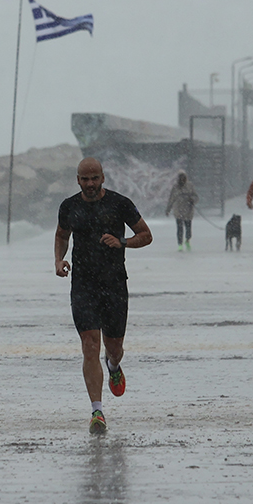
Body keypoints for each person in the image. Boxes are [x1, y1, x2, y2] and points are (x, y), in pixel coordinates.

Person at [54, 157, 153, 434]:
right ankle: (97, 412)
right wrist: (58, 260)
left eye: (94, 178)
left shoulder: (120, 204)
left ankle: (114, 365)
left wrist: (122, 241)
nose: (90, 184)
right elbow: (62, 235)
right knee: (89, 345)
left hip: (114, 285)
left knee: (114, 347)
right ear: (77, 180)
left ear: (103, 178)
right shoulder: (69, 206)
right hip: (83, 285)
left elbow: (146, 235)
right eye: (84, 179)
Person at [164, 170, 199, 252]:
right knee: (179, 228)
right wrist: (168, 209)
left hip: (188, 211)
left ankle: (187, 240)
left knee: (188, 228)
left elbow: (196, 197)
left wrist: (192, 200)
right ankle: (180, 244)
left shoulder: (190, 186)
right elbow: (171, 199)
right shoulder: (175, 187)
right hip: (178, 210)